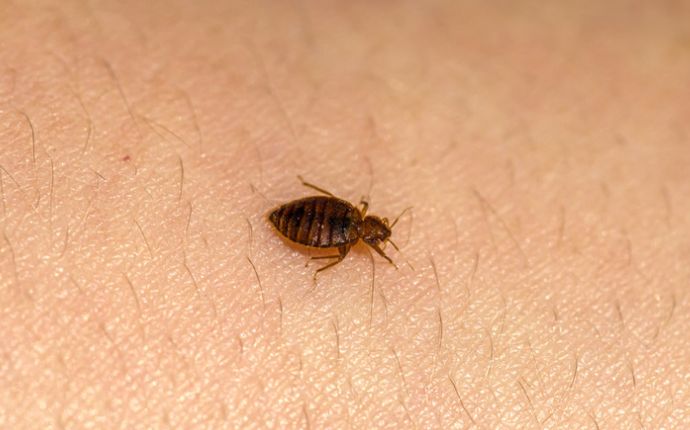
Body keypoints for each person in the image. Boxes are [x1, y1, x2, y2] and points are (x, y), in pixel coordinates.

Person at [1, 1, 687, 428]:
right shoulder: (349, 236)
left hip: (308, 214)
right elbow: (332, 221)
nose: (374, 235)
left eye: (374, 235)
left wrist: (330, 259)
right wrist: (328, 255)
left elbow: (335, 228)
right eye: (376, 232)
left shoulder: (350, 236)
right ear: (370, 227)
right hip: (303, 214)